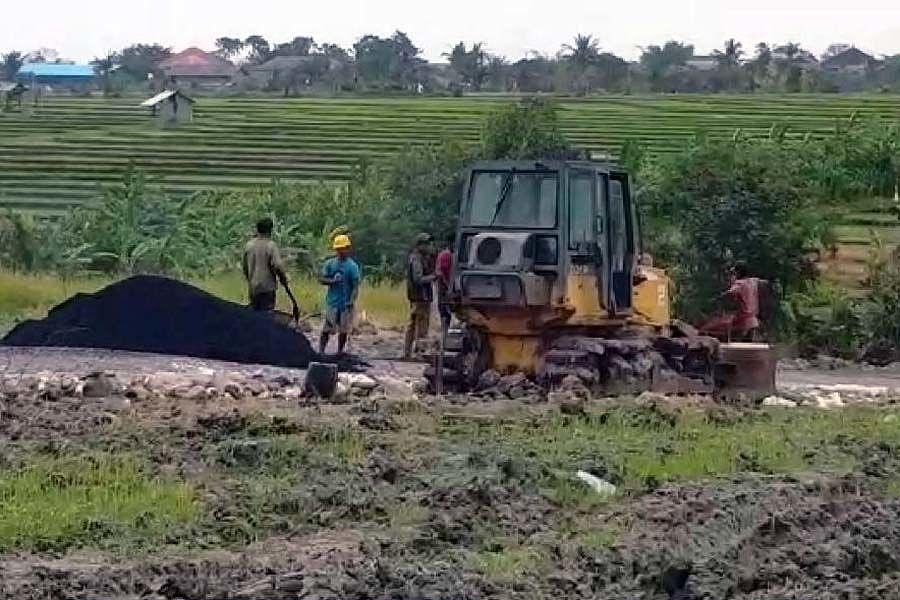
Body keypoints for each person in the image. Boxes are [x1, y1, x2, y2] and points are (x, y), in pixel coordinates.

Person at [242, 217, 298, 319]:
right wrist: (283, 279)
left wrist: (250, 280)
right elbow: (277, 265)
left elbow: (245, 267)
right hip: (267, 288)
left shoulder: (249, 245)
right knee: (267, 316)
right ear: (270, 230)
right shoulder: (270, 246)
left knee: (254, 316)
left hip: (253, 288)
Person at [318, 234, 361, 355]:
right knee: (327, 328)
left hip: (345, 303)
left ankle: (340, 352)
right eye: (338, 249)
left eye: (343, 248)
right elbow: (322, 279)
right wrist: (332, 281)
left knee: (343, 330)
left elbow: (355, 286)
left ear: (348, 249)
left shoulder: (352, 267)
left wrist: (351, 301)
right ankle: (321, 351)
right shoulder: (330, 264)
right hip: (333, 302)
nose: (341, 251)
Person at [404, 232, 436, 359]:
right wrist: (434, 277)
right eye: (427, 244)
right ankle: (418, 353)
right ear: (420, 245)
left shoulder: (420, 257)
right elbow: (418, 278)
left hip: (418, 296)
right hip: (419, 297)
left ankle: (409, 352)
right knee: (420, 325)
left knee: (414, 324)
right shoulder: (416, 259)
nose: (429, 246)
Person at [723, 263, 767, 341]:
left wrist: (717, 298)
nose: (734, 275)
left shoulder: (738, 284)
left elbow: (729, 294)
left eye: (734, 273)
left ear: (738, 273)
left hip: (742, 323)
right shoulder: (754, 281)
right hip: (754, 322)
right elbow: (764, 282)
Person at [436, 236, 454, 332]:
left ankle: (445, 330)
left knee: (444, 309)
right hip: (444, 285)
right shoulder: (447, 255)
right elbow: (443, 271)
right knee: (445, 309)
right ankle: (445, 331)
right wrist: (448, 285)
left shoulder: (443, 254)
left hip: (443, 285)